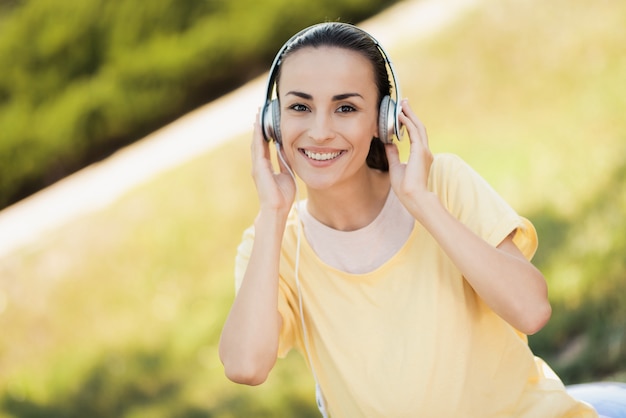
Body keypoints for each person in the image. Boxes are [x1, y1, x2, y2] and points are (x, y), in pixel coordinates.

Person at [219, 22, 600, 417]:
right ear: (272, 122)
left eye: (345, 108)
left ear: (383, 120)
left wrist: (421, 203)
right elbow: (245, 366)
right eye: (299, 107)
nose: (319, 132)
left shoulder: (442, 185)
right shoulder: (272, 242)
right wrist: (273, 211)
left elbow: (531, 310)